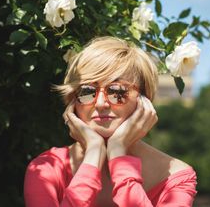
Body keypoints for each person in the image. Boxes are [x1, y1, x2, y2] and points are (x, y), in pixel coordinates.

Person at [24, 36, 197, 206]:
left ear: (144, 100)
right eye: (86, 91)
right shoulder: (46, 168)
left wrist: (118, 152)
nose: (100, 104)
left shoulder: (176, 177)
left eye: (117, 91)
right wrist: (93, 151)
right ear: (72, 99)